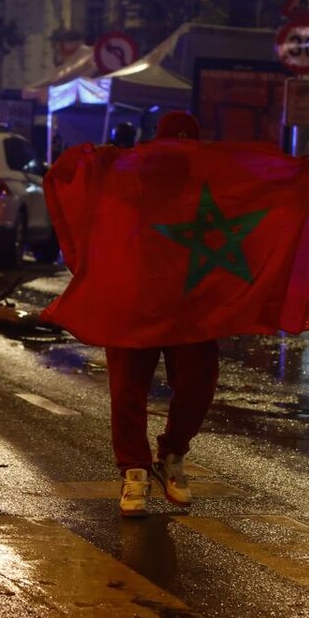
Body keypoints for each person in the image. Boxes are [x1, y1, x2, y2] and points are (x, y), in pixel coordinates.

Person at [105, 110, 220, 517]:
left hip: (191, 302)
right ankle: (134, 468)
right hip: (136, 297)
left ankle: (171, 453)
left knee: (198, 384)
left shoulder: (213, 187)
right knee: (127, 388)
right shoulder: (128, 182)